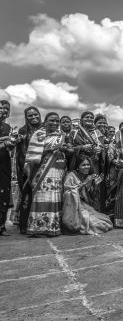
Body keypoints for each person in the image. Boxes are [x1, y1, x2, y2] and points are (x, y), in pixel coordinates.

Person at [24, 112, 71, 237]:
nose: (55, 123)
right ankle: (38, 227)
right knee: (41, 197)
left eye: (57, 121)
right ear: (45, 121)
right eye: (52, 120)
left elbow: (68, 151)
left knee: (54, 197)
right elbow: (32, 156)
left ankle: (52, 227)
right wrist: (50, 149)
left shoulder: (61, 135)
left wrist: (64, 148)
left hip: (57, 171)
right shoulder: (39, 134)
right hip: (41, 171)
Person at [62, 155, 113, 235]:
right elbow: (67, 194)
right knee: (98, 225)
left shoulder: (88, 177)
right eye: (83, 165)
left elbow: (91, 197)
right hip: (74, 208)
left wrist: (96, 185)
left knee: (106, 222)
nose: (86, 167)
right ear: (77, 167)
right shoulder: (71, 176)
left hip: (84, 206)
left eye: (88, 165)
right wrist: (84, 183)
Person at [15, 106, 43, 234]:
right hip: (26, 169)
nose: (33, 117)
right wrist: (25, 167)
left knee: (41, 197)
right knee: (26, 196)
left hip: (43, 167)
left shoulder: (44, 128)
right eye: (30, 115)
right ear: (26, 118)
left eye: (35, 114)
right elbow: (20, 152)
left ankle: (40, 223)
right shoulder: (23, 130)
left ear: (39, 114)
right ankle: (24, 225)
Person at [70, 111, 106, 211]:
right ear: (81, 119)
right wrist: (82, 147)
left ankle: (95, 212)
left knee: (95, 186)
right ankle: (79, 212)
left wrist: (100, 150)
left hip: (94, 164)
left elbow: (102, 147)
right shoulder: (74, 132)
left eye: (91, 117)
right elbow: (70, 148)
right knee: (80, 186)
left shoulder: (97, 133)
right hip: (80, 164)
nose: (89, 119)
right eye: (87, 117)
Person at [0, 101, 16, 236]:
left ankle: (1, 226)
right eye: (1, 108)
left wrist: (12, 143)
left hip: (4, 164)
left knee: (4, 194)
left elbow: (10, 147)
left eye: (6, 108)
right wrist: (5, 142)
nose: (4, 111)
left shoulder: (8, 127)